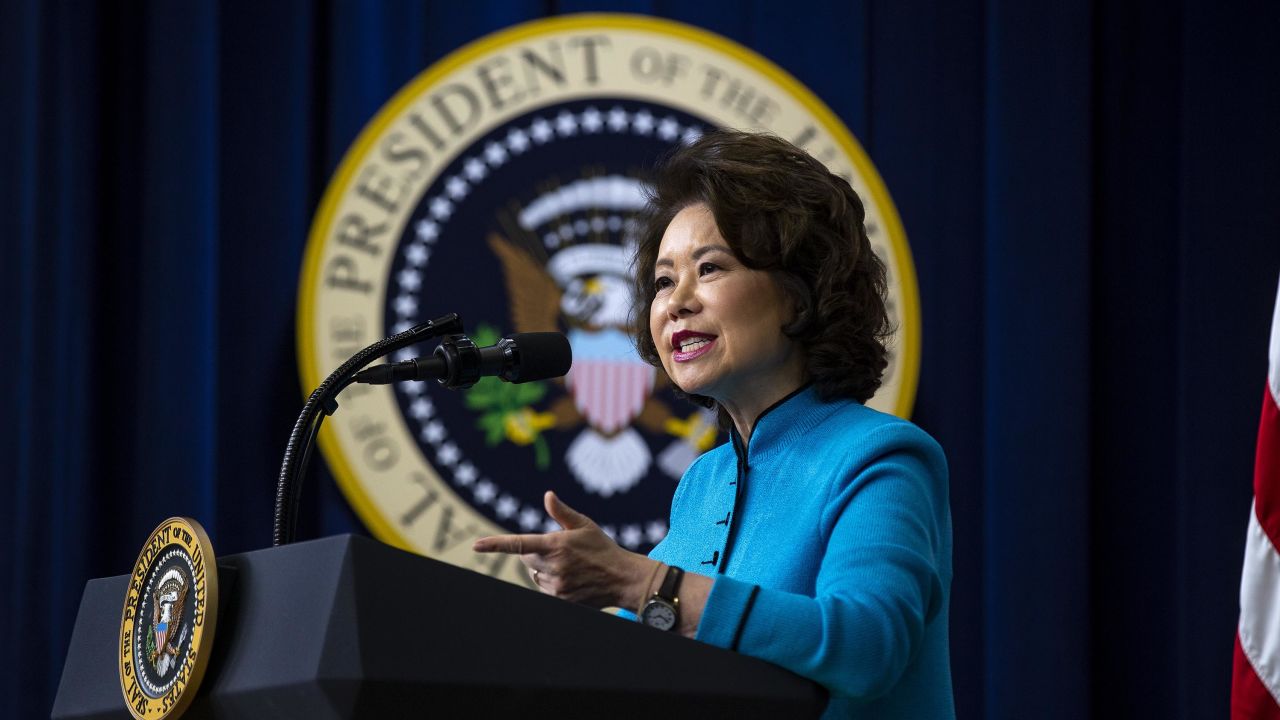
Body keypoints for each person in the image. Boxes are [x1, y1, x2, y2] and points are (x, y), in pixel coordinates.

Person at [474, 129, 953, 718]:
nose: (677, 302)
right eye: (663, 281)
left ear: (800, 296)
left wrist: (641, 583)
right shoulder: (704, 483)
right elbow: (641, 652)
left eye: (711, 268)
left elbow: (866, 647)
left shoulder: (882, 458)